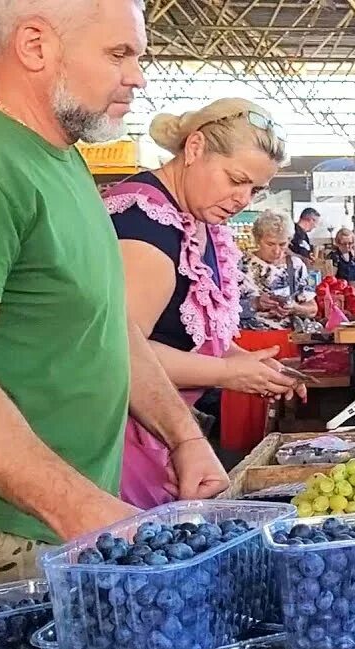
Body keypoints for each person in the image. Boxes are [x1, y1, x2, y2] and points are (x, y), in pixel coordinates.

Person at [0, 0, 229, 574]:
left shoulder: (62, 159)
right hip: (4, 543)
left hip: (65, 532)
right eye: (119, 54)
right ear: (35, 45)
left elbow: (106, 326)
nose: (138, 75)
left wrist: (182, 436)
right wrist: (80, 510)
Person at [109, 99, 300, 509]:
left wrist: (251, 366)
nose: (243, 199)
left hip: (163, 435)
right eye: (236, 179)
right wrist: (228, 373)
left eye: (255, 189)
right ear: (194, 148)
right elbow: (120, 350)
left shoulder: (196, 218)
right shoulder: (145, 225)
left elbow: (196, 336)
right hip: (123, 444)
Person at [239, 210, 322, 334]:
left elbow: (312, 309)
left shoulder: (296, 265)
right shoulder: (239, 265)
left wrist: (294, 308)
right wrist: (255, 303)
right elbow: (222, 311)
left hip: (286, 339)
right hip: (248, 339)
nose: (277, 251)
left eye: (283, 244)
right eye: (270, 244)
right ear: (258, 239)